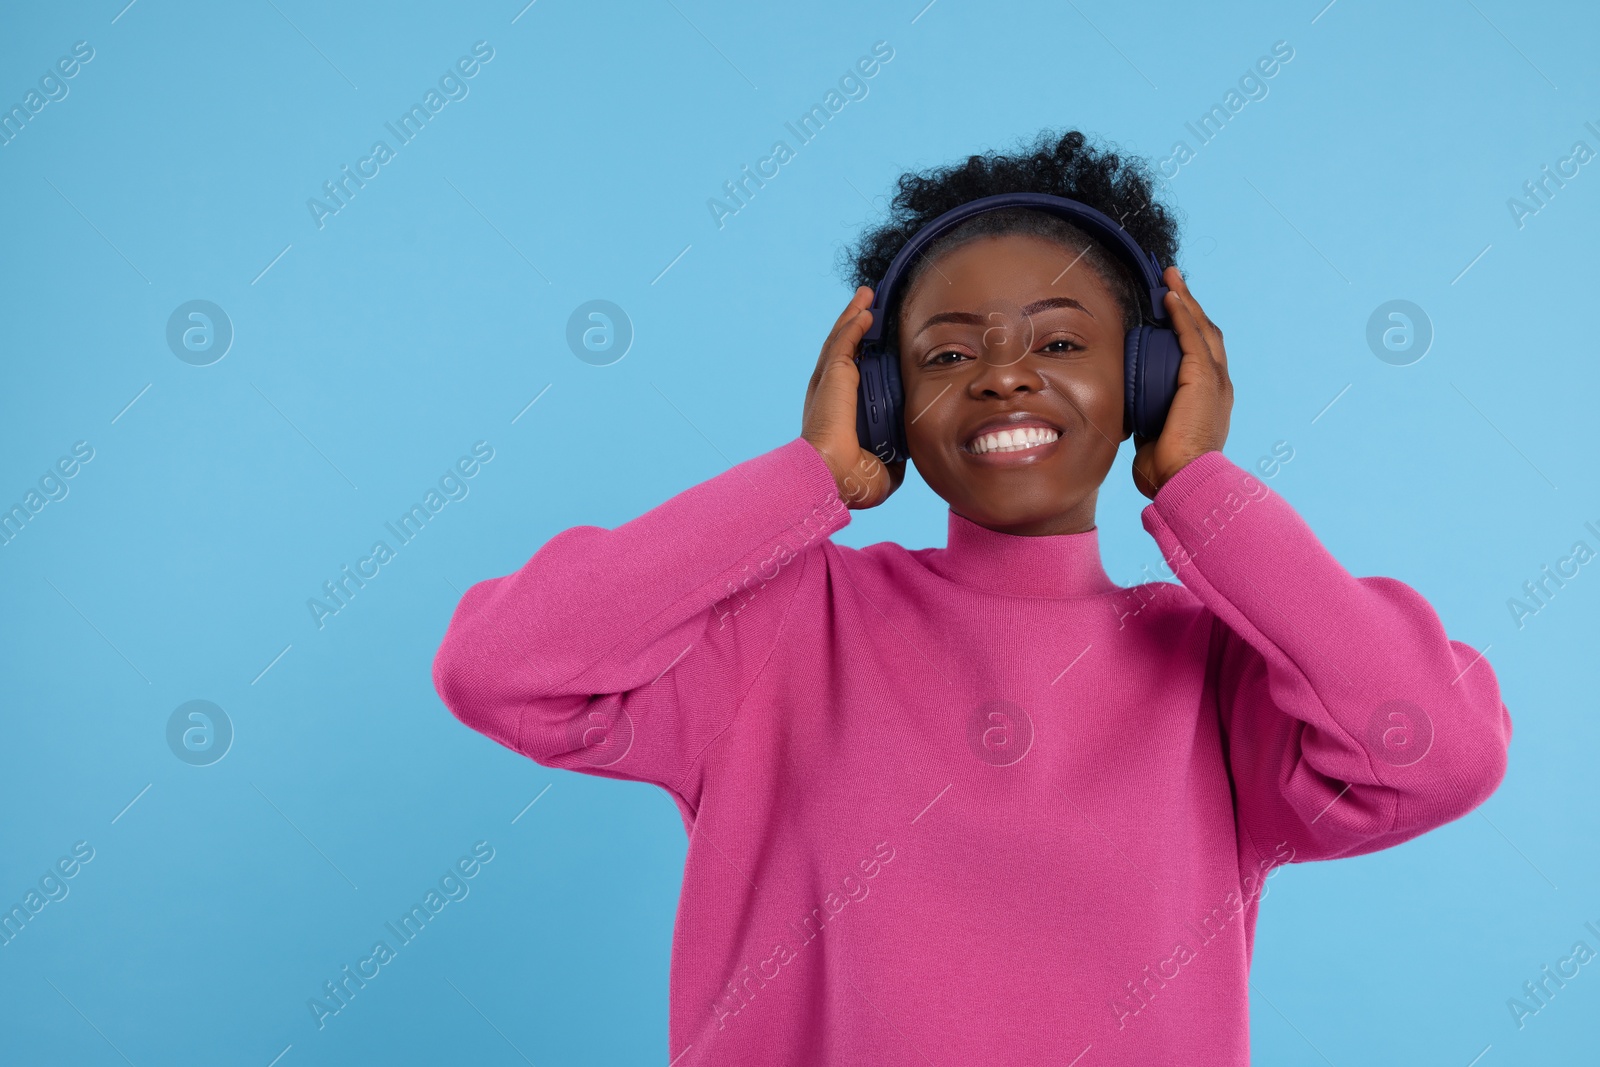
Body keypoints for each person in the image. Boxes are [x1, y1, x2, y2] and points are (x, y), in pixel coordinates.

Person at [431, 128, 1511, 1065]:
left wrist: (1204, 493)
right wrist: (805, 482)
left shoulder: (1220, 669)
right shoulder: (777, 626)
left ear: (1149, 378)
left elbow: (1439, 749)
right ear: (885, 398)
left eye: (1060, 341)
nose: (1003, 376)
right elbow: (502, 667)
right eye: (947, 353)